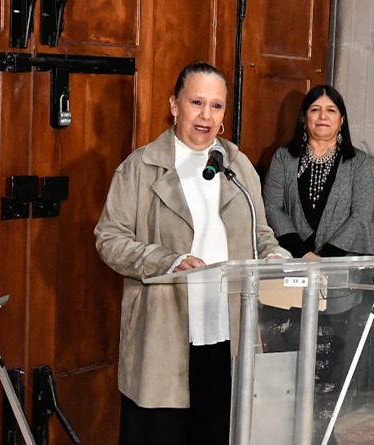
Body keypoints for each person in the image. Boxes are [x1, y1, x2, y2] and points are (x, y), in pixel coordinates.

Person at [94, 61, 289, 445]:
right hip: (166, 333)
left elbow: (260, 232)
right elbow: (109, 239)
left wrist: (273, 256)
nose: (206, 115)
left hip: (227, 330)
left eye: (216, 106)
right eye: (196, 102)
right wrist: (167, 260)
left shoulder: (237, 165)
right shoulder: (141, 167)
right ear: (174, 105)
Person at [261, 84, 374, 440]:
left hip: (339, 275)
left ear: (341, 119)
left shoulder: (357, 162)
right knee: (290, 360)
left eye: (330, 110)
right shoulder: (284, 157)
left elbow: (362, 215)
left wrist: (325, 259)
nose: (322, 116)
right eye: (315, 110)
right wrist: (302, 253)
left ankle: (324, 434)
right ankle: (288, 432)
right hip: (291, 275)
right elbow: (272, 207)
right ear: (304, 117)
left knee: (330, 364)